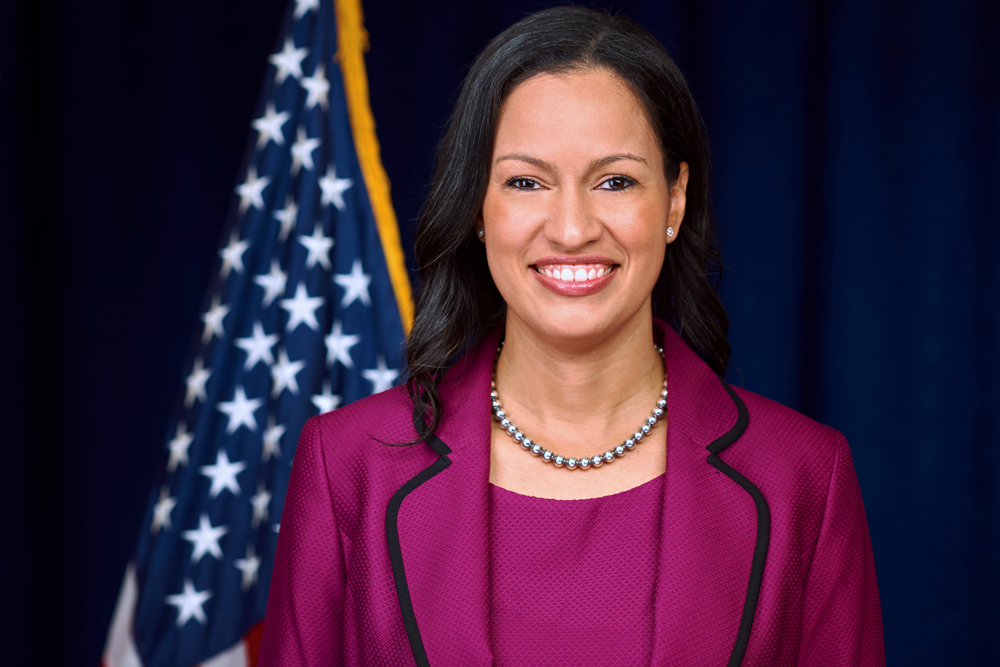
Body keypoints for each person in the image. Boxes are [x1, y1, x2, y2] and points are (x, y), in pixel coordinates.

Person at [259, 7, 884, 666]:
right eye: (526, 182)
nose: (571, 227)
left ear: (673, 201)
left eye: (614, 181)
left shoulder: (804, 478)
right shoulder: (348, 465)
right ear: (477, 206)